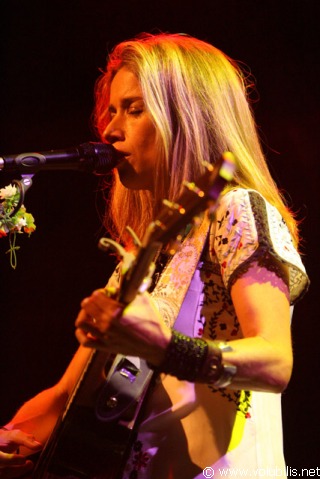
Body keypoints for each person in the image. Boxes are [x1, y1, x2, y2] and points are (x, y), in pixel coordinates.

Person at [0, 33, 309, 479]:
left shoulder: (237, 211)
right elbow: (64, 397)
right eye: (111, 110)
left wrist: (167, 349)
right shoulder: (144, 254)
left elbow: (277, 361)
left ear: (187, 117)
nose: (109, 129)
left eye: (134, 109)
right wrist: (11, 436)